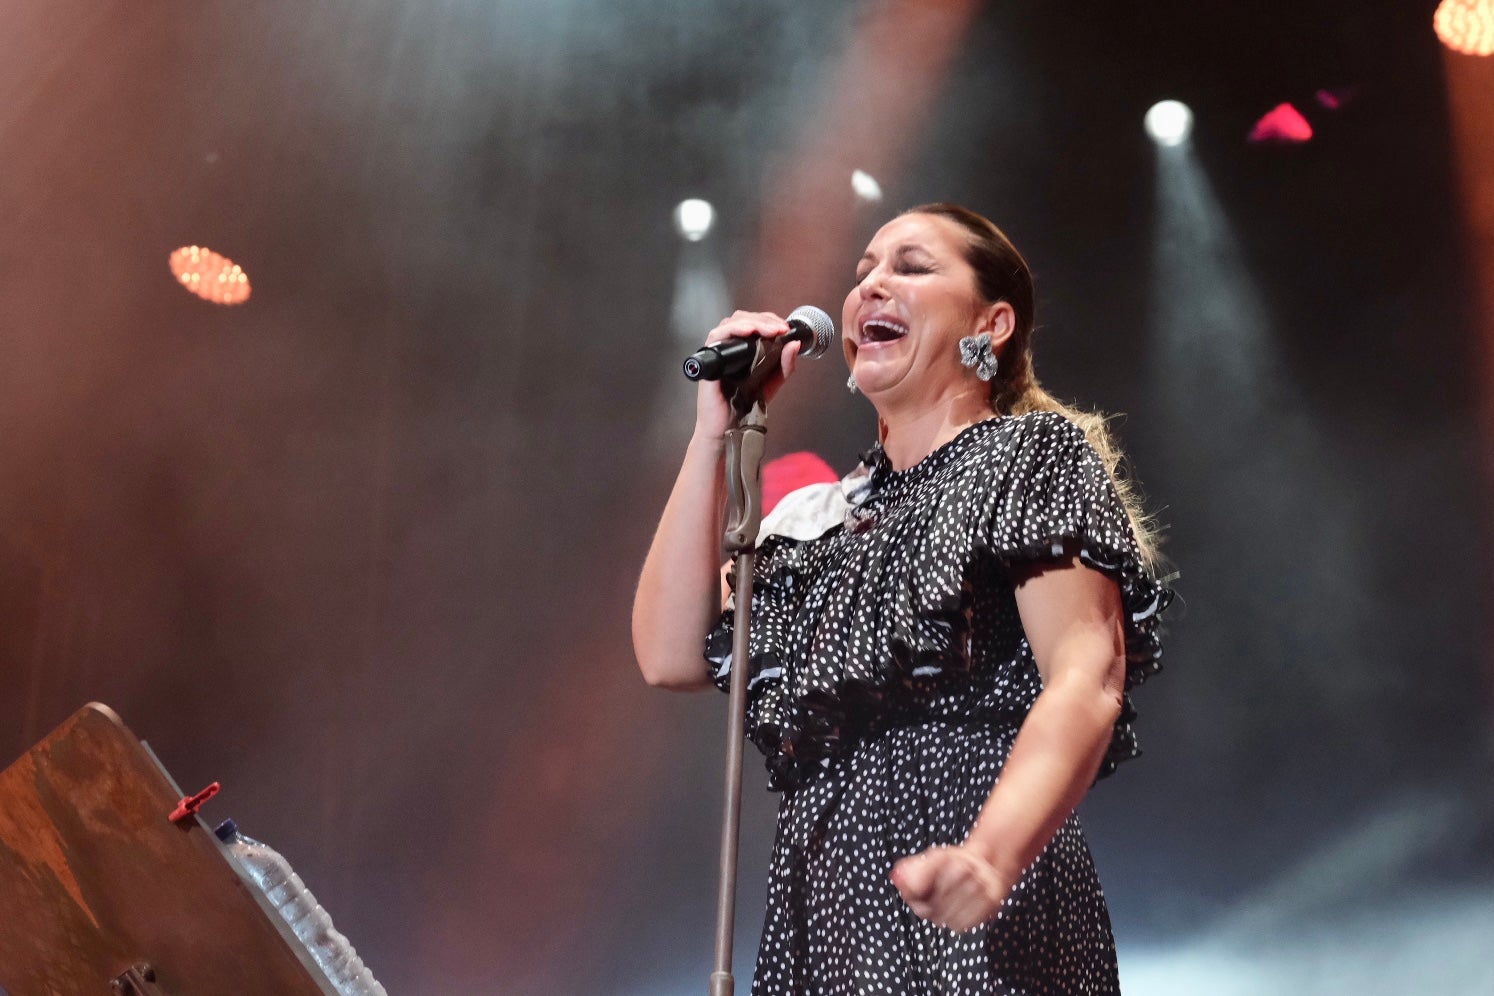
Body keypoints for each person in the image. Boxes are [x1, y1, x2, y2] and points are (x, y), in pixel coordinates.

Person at [632, 203, 1172, 995]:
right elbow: (670, 653)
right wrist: (717, 428)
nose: (872, 287)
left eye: (911, 268)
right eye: (863, 275)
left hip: (977, 876)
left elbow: (1087, 672)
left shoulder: (1026, 456)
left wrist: (991, 855)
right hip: (824, 908)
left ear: (988, 325)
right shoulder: (811, 522)